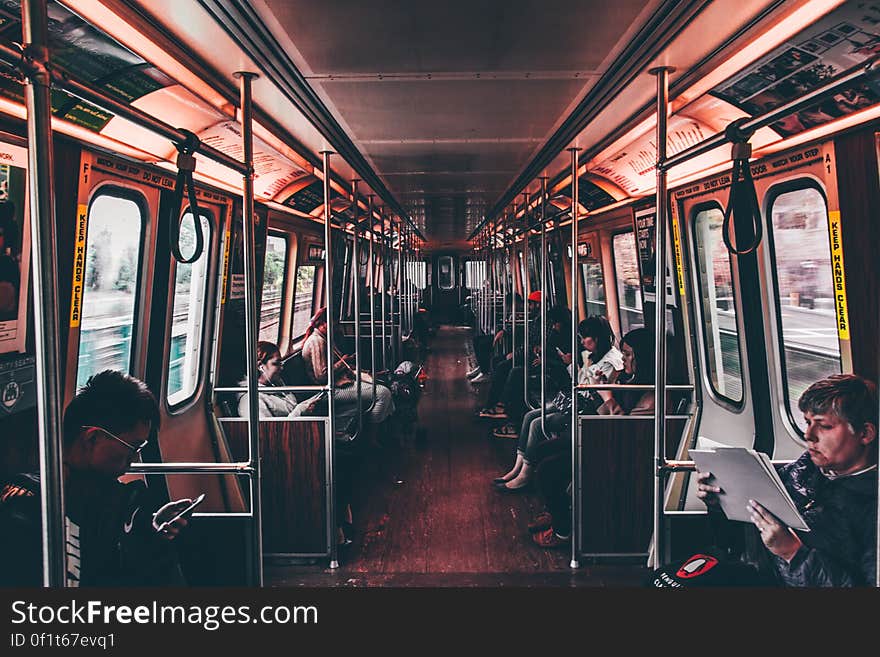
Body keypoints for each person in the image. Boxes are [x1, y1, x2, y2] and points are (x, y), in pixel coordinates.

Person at [0, 371, 192, 586]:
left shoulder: (109, 495)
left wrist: (152, 529)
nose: (135, 458)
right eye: (132, 447)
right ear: (92, 438)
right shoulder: (26, 510)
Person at [696, 374, 878, 586]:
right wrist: (719, 504)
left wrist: (793, 553)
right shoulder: (800, 472)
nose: (809, 435)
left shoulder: (871, 508)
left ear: (865, 433)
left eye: (824, 426)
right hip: (756, 575)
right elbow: (735, 543)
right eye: (808, 423)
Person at [528, 328, 655, 547]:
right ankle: (557, 511)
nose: (623, 359)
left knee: (548, 470)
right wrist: (604, 391)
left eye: (628, 355)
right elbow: (604, 417)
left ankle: (562, 531)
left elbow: (626, 432)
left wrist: (607, 396)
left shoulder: (650, 398)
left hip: (616, 454)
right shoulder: (629, 380)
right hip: (602, 441)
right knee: (542, 450)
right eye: (623, 354)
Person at [301, 307, 395, 428]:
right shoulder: (317, 341)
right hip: (329, 390)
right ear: (323, 324)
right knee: (383, 393)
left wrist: (353, 365)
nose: (336, 328)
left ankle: (386, 427)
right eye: (334, 325)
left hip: (341, 381)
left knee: (384, 385)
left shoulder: (325, 339)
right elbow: (321, 376)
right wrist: (343, 361)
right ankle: (372, 435)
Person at [237, 341, 312, 418]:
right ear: (260, 366)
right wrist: (299, 412)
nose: (281, 368)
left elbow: (292, 405)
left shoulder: (276, 382)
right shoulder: (250, 401)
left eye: (281, 363)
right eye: (276, 363)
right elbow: (266, 429)